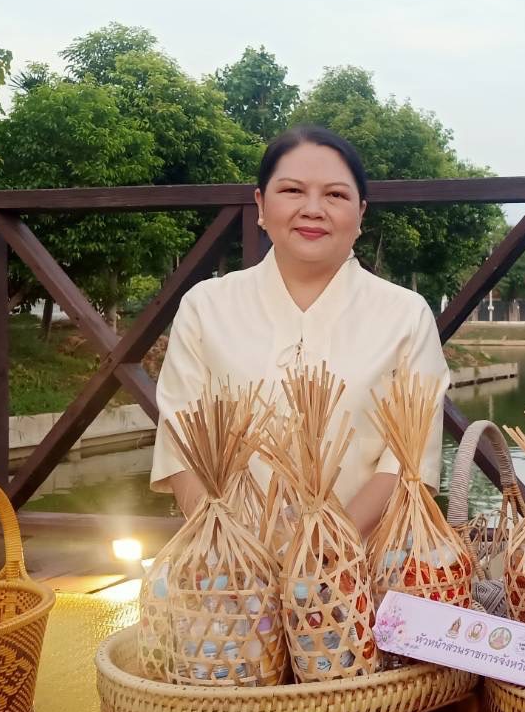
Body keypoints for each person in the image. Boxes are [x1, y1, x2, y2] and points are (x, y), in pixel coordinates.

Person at [151, 125, 449, 532]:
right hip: (229, 570)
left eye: (336, 195)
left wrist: (330, 548)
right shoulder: (205, 307)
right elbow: (179, 447)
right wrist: (232, 547)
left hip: (362, 566)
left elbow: (408, 460)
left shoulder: (406, 315)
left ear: (360, 213)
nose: (313, 209)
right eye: (292, 191)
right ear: (260, 204)